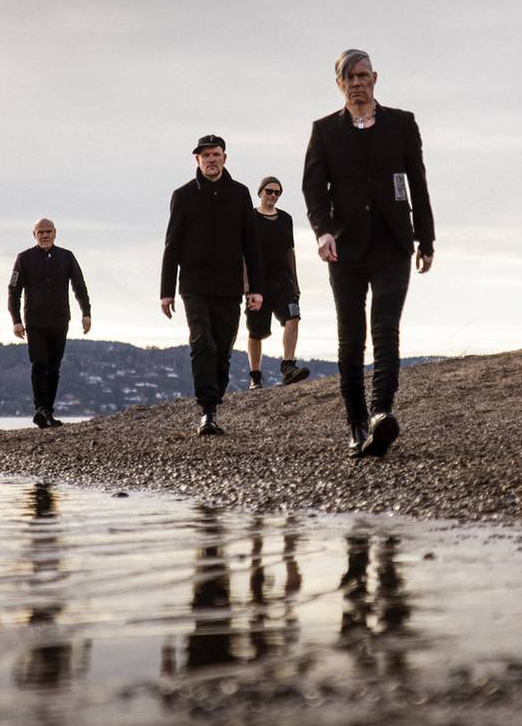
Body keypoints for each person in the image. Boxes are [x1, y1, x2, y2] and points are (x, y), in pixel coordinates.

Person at [302, 49, 434, 458]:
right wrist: (323, 232)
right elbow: (313, 189)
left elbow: (417, 182)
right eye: (349, 78)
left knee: (385, 330)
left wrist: (426, 239)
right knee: (351, 337)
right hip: (344, 248)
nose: (357, 83)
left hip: (393, 242)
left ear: (375, 78)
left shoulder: (402, 124)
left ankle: (381, 414)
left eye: (363, 76)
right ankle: (356, 425)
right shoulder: (325, 130)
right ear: (339, 84)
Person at [161, 134, 264, 436]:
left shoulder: (240, 194)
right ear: (197, 160)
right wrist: (166, 292)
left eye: (215, 154)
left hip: (230, 286)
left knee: (222, 348)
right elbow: (172, 245)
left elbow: (251, 244)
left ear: (224, 158)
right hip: (194, 284)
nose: (211, 160)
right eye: (205, 155)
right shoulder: (183, 195)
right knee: (202, 342)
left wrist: (256, 288)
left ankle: (214, 405)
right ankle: (207, 410)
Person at [8, 218, 92, 428]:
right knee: (39, 364)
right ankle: (40, 409)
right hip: (35, 322)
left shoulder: (66, 256)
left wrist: (86, 313)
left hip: (59, 320)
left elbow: (79, 285)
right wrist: (16, 320)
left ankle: (48, 411)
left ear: (55, 233)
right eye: (41, 232)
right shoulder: (24, 258)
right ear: (34, 234)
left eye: (48, 232)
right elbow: (13, 291)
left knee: (54, 367)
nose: (45, 235)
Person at [245, 176, 310, 389]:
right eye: (269, 191)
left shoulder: (285, 219)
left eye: (277, 192)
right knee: (256, 331)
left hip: (283, 280)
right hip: (258, 283)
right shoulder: (250, 218)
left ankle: (288, 366)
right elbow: (243, 254)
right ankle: (255, 376)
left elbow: (290, 251)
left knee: (293, 317)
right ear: (260, 192)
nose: (273, 195)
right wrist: (246, 285)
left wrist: (295, 282)